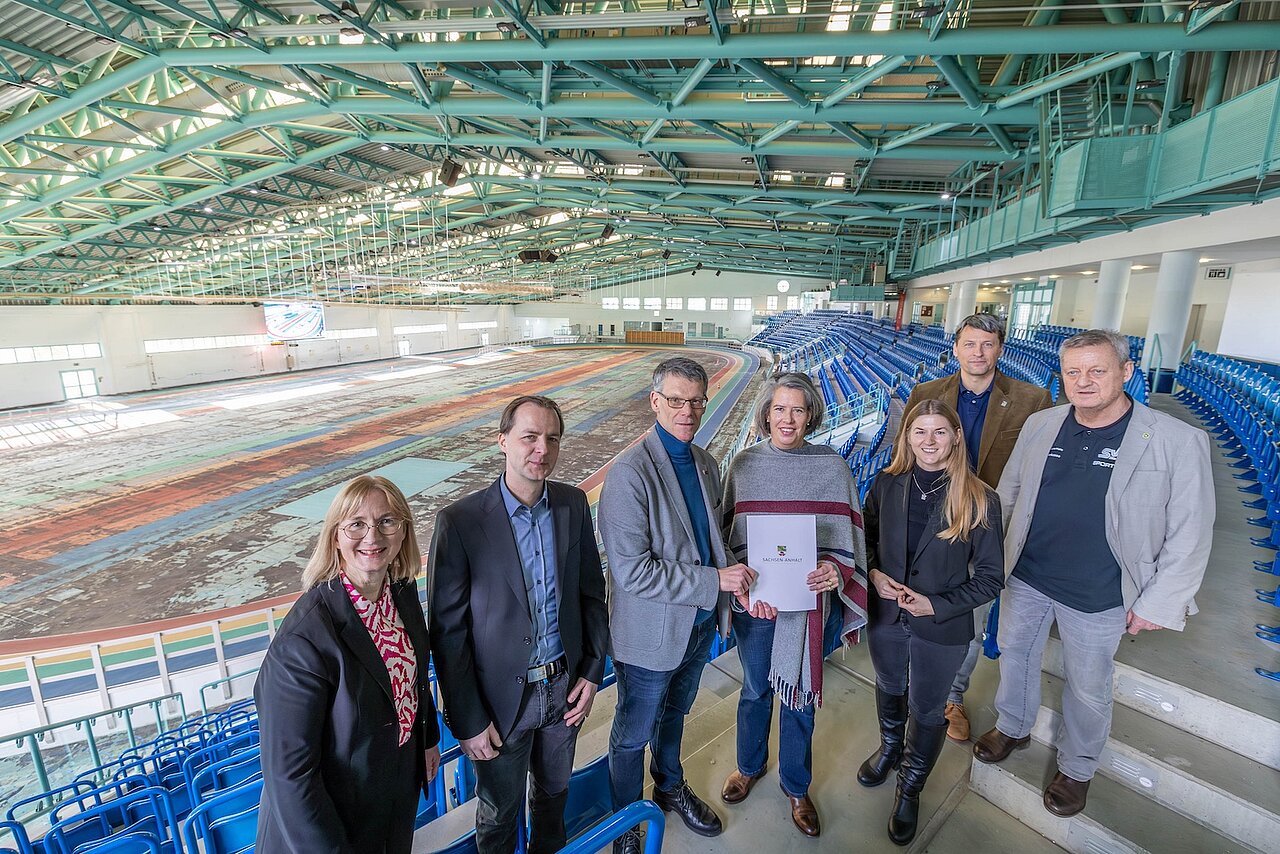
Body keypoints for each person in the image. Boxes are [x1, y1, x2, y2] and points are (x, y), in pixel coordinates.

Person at [973, 329, 1214, 818]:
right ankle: (1014, 725)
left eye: (1097, 371)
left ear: (1126, 373)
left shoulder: (1177, 440)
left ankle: (1077, 767)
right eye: (1072, 372)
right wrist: (990, 558)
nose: (1083, 382)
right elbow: (1010, 493)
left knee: (1088, 683)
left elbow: (1192, 530)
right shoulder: (1042, 424)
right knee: (1015, 655)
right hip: (1029, 575)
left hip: (1101, 590)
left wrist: (1158, 603)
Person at [428, 395, 609, 854]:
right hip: (501, 702)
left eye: (551, 438)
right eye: (529, 437)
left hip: (563, 691)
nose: (541, 450)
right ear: (503, 441)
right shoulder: (461, 522)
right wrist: (467, 718)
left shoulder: (571, 504)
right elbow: (448, 633)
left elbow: (591, 593)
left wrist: (591, 671)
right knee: (498, 815)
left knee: (553, 800)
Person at [598, 356, 756, 854]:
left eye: (695, 402)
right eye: (675, 401)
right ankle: (626, 825)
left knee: (675, 715)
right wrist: (716, 581)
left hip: (699, 624)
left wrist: (734, 583)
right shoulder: (629, 474)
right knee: (631, 733)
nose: (687, 411)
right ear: (655, 402)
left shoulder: (706, 462)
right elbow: (632, 571)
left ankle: (668, 785)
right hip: (648, 635)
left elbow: (713, 542)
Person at [718, 372, 869, 838]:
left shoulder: (831, 467)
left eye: (797, 410)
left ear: (810, 415)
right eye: (779, 409)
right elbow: (729, 539)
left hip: (810, 609)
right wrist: (745, 591)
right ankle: (748, 766)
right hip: (758, 610)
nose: (788, 419)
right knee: (756, 690)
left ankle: (796, 785)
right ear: (766, 414)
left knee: (800, 696)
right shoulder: (743, 465)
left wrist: (836, 573)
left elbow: (849, 542)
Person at [254, 476, 440, 854]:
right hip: (330, 825)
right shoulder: (304, 640)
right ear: (335, 536)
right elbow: (291, 780)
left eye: (387, 521)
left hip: (390, 797)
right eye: (356, 524)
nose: (372, 536)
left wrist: (428, 737)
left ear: (403, 531)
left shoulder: (399, 591)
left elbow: (411, 675)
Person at [859, 399, 1005, 846]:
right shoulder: (887, 483)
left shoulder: (980, 498)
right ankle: (889, 749)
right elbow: (862, 537)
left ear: (956, 437)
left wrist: (936, 605)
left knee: (926, 707)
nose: (928, 441)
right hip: (886, 614)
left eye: (939, 431)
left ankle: (910, 786)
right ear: (906, 438)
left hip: (941, 627)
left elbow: (991, 578)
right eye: (918, 431)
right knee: (888, 685)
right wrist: (873, 572)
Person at [904, 313, 1053, 741]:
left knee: (968, 615)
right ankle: (917, 684)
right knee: (920, 604)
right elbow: (909, 454)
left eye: (987, 345)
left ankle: (951, 696)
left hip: (988, 526)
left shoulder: (1032, 399)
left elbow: (1036, 470)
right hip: (930, 523)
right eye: (970, 344)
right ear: (956, 348)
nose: (978, 353)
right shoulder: (926, 393)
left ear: (1000, 349)